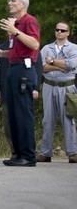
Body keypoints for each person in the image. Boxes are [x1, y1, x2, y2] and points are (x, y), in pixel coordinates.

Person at [0, 0, 40, 167]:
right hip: (14, 68)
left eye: (13, 1)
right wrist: (5, 53)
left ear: (23, 4)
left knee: (23, 113)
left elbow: (35, 44)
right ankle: (18, 153)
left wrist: (15, 31)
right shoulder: (16, 24)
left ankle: (29, 156)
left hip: (24, 70)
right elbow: (21, 49)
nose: (9, 3)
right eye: (9, 0)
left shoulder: (29, 21)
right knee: (14, 113)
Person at [36, 21, 77, 163]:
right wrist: (60, 66)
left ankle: (72, 152)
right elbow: (40, 67)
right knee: (48, 120)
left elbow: (71, 65)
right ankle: (46, 152)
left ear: (68, 33)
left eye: (63, 30)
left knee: (69, 120)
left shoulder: (73, 48)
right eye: (57, 29)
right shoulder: (46, 48)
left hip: (67, 87)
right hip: (49, 86)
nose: (59, 32)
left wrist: (52, 61)